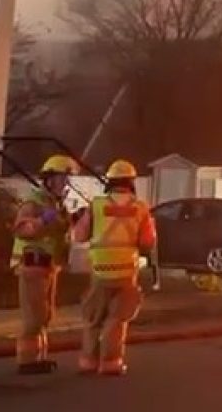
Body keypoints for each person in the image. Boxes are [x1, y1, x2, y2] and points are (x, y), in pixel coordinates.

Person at [72, 159, 156, 376]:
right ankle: (110, 362)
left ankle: (88, 361)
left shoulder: (96, 205)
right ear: (131, 182)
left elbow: (78, 236)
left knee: (93, 317)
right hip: (127, 271)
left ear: (109, 181)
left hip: (100, 271)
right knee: (117, 319)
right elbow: (148, 242)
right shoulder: (141, 208)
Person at [9, 154, 76, 374]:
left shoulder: (55, 204)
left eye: (66, 179)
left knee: (45, 316)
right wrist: (42, 220)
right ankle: (27, 361)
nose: (65, 183)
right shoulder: (33, 202)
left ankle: (38, 358)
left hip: (48, 266)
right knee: (34, 317)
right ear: (49, 179)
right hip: (32, 265)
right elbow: (22, 230)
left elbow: (60, 234)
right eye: (61, 178)